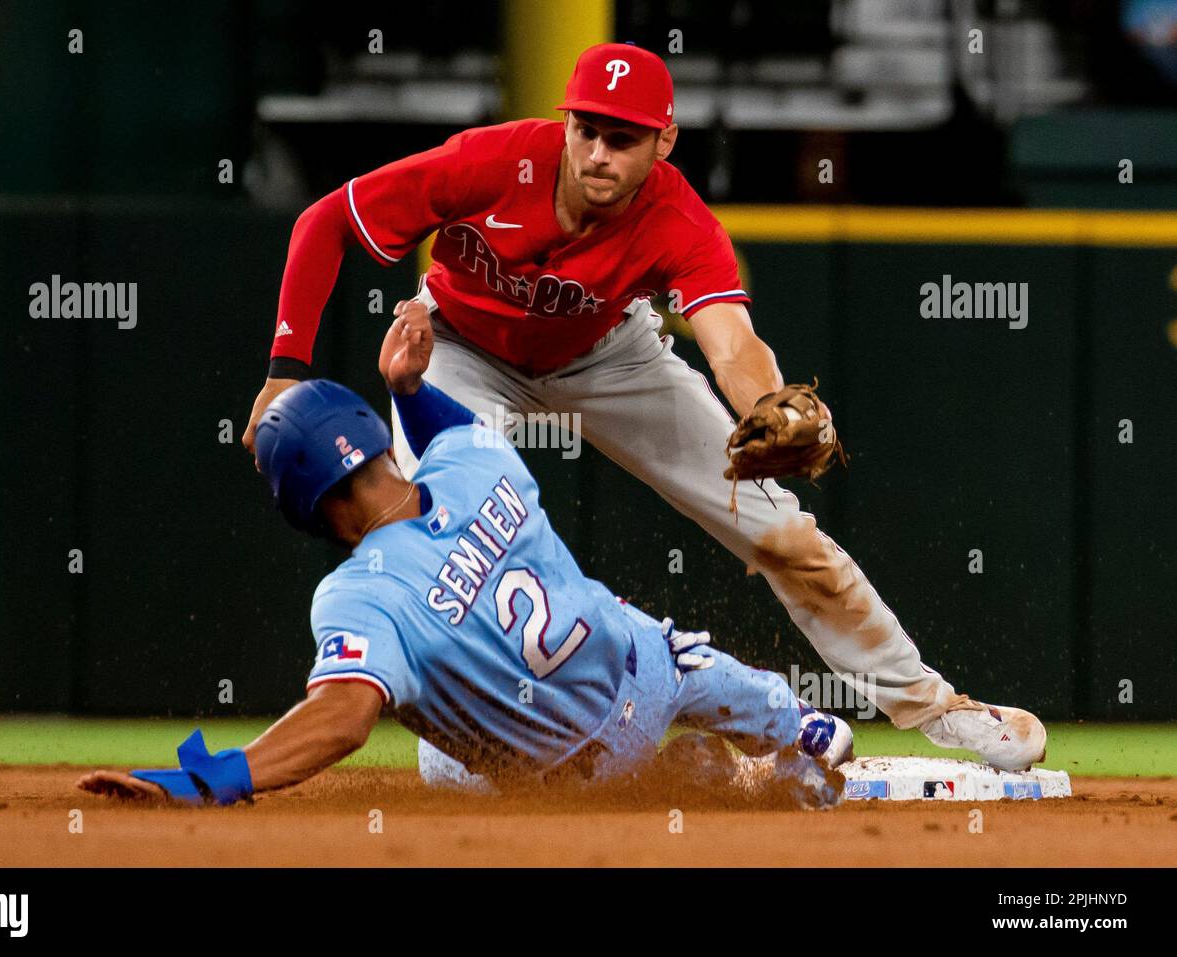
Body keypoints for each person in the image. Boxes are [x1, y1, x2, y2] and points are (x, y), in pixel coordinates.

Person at [240, 41, 1045, 772]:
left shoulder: (677, 218)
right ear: (565, 125)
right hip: (457, 349)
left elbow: (728, 339)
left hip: (608, 355)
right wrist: (284, 369)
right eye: (585, 129)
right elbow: (324, 221)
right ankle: (475, 743)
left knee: (788, 536)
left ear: (663, 143)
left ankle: (934, 705)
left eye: (621, 138)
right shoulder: (490, 162)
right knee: (438, 549)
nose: (597, 152)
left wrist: (765, 402)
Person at [76, 301, 851, 806]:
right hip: (644, 677)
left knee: (435, 761)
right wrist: (408, 388)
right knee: (648, 638)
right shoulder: (479, 464)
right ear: (373, 434)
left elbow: (343, 719)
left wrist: (218, 779)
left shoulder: (357, 597)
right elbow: (446, 427)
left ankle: (712, 776)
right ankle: (793, 723)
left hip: (569, 779)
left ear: (300, 504)